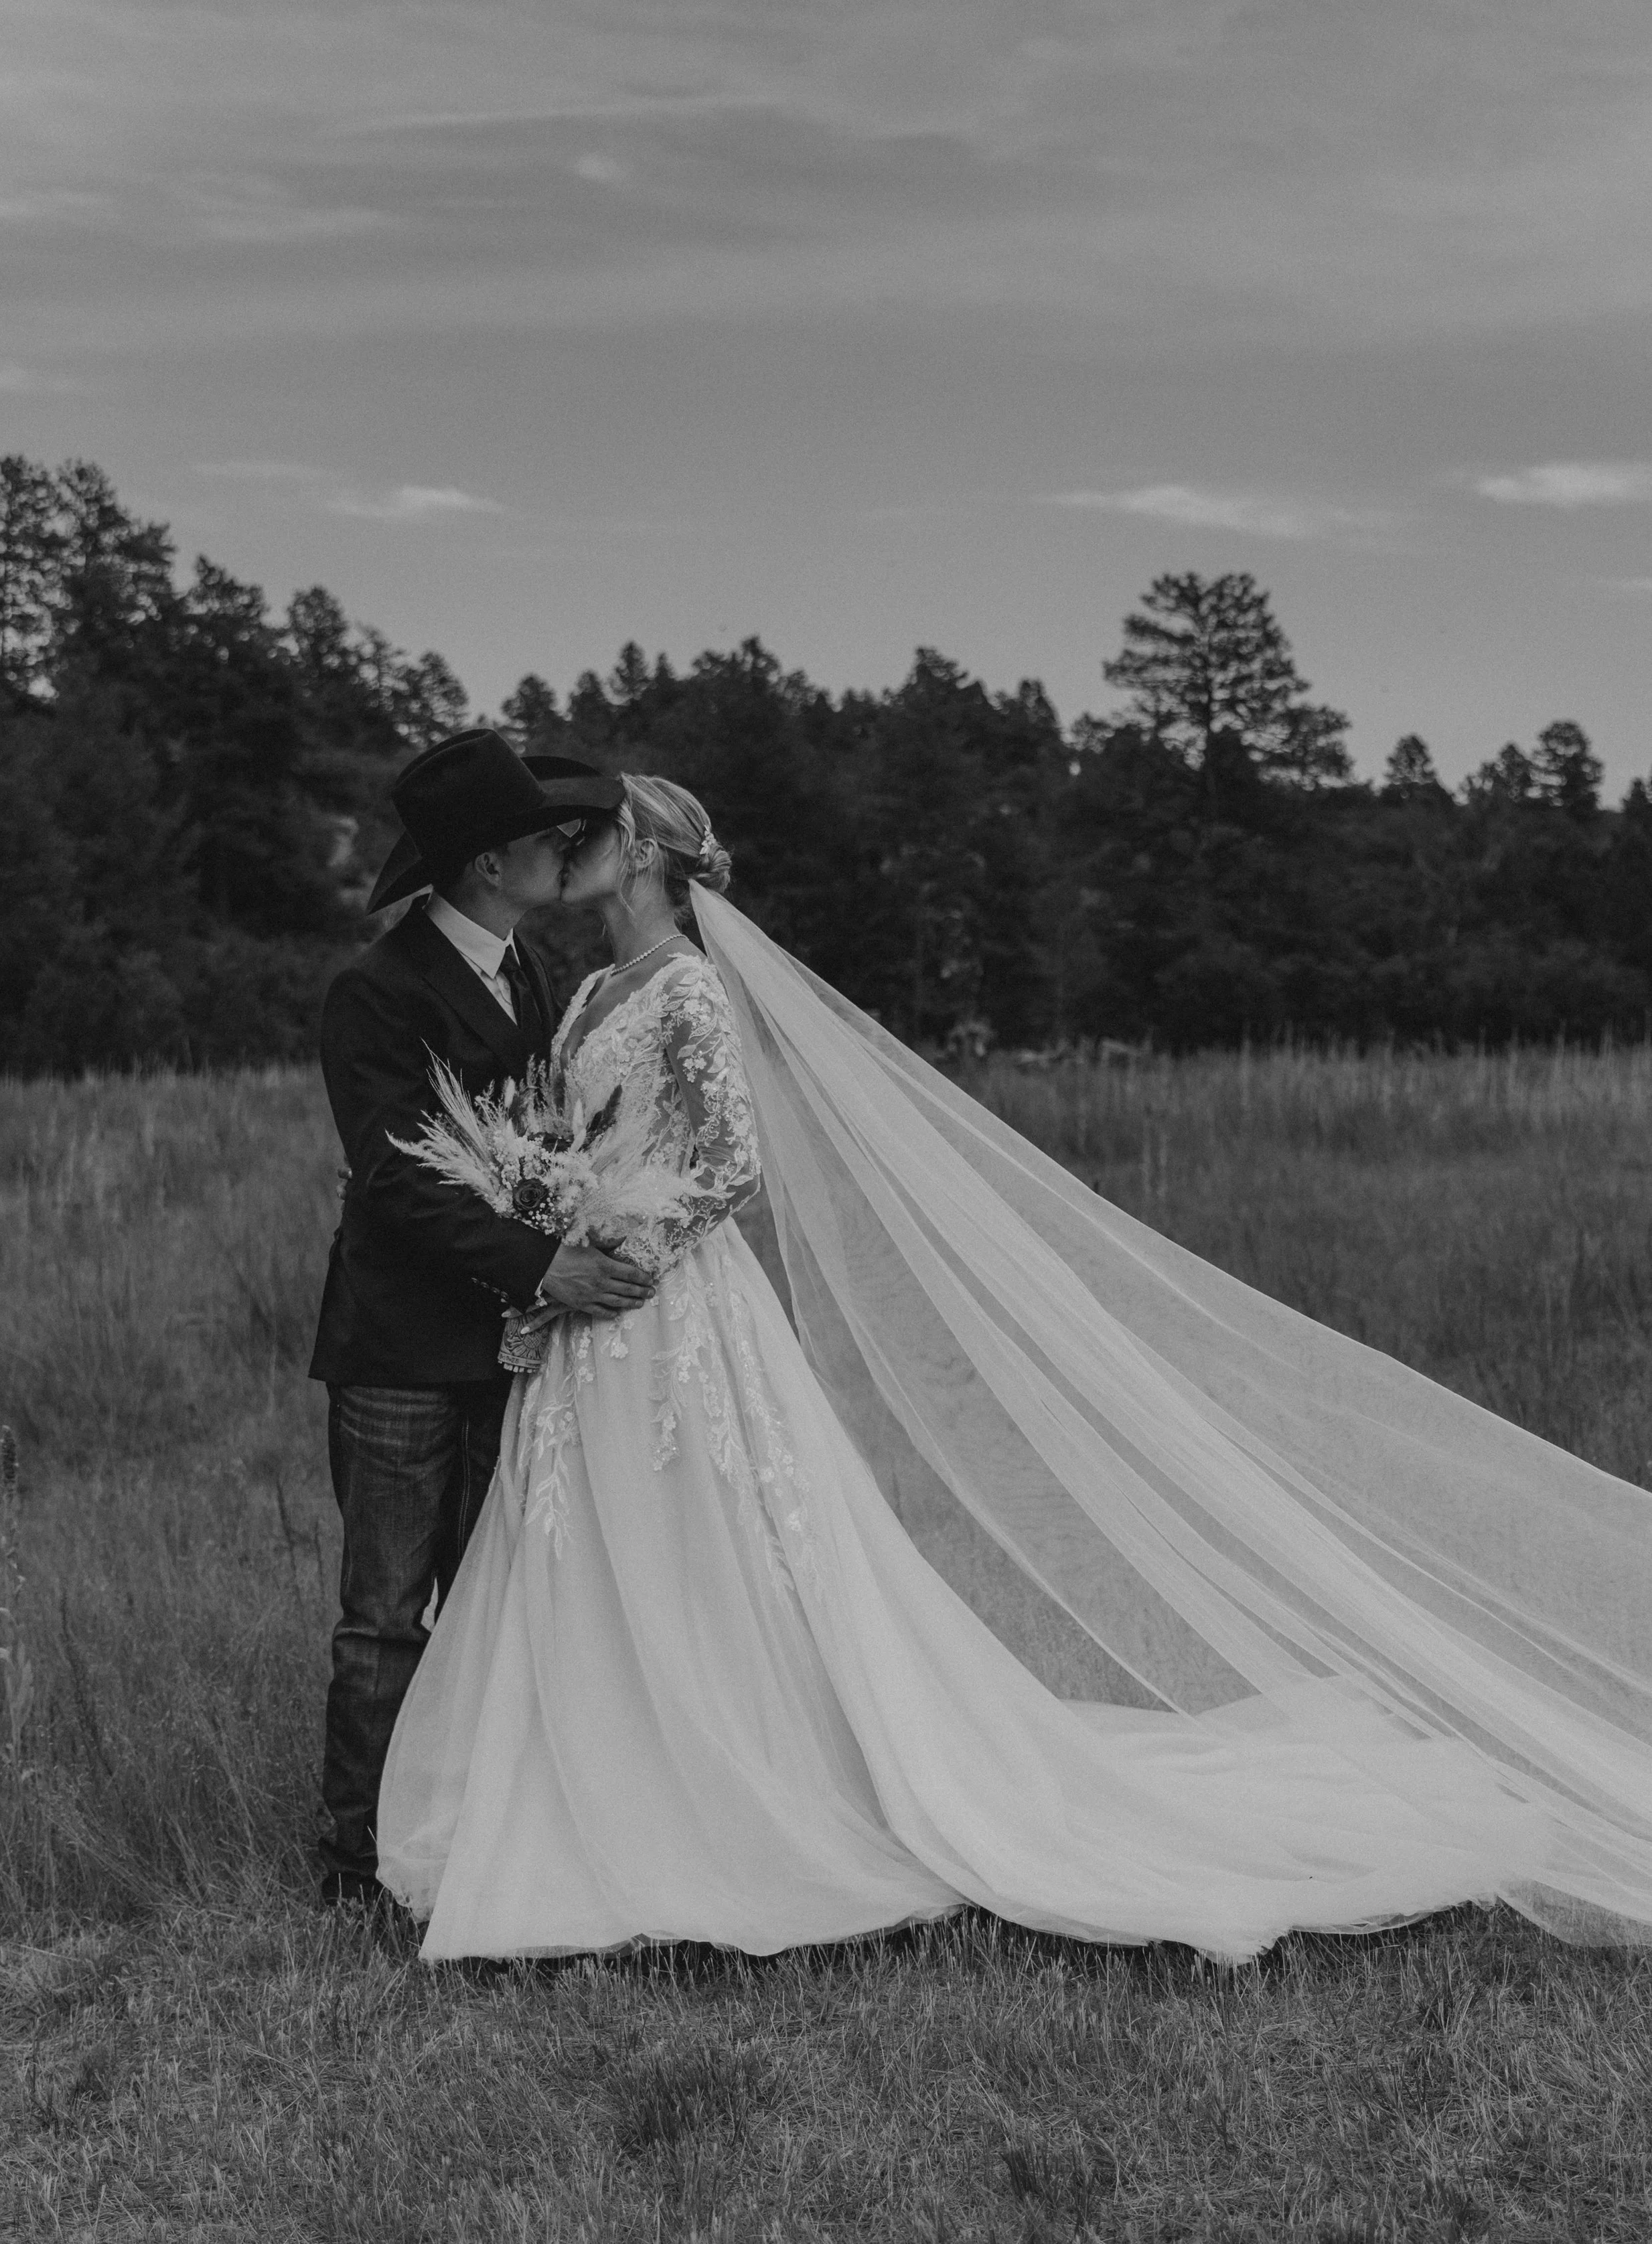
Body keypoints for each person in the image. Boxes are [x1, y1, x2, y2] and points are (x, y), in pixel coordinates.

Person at [376, 776, 1652, 1961]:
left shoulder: (690, 991)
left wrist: (624, 1234)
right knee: (598, 1544)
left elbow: (731, 1164)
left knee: (706, 1540)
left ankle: (731, 1788)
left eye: (592, 832)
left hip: (664, 1303)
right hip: (590, 1313)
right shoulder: (590, 992)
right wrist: (555, 1214)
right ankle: (601, 1778)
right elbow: (571, 1134)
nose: (570, 847)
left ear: (643, 852)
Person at [308, 729, 656, 1905]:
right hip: (403, 1346)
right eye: (545, 837)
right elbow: (398, 1182)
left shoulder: (533, 971)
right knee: (386, 1614)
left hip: (511, 1348)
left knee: (493, 1594)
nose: (567, 847)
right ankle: (355, 1860)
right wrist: (542, 1262)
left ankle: (462, 1830)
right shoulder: (374, 991)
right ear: (486, 864)